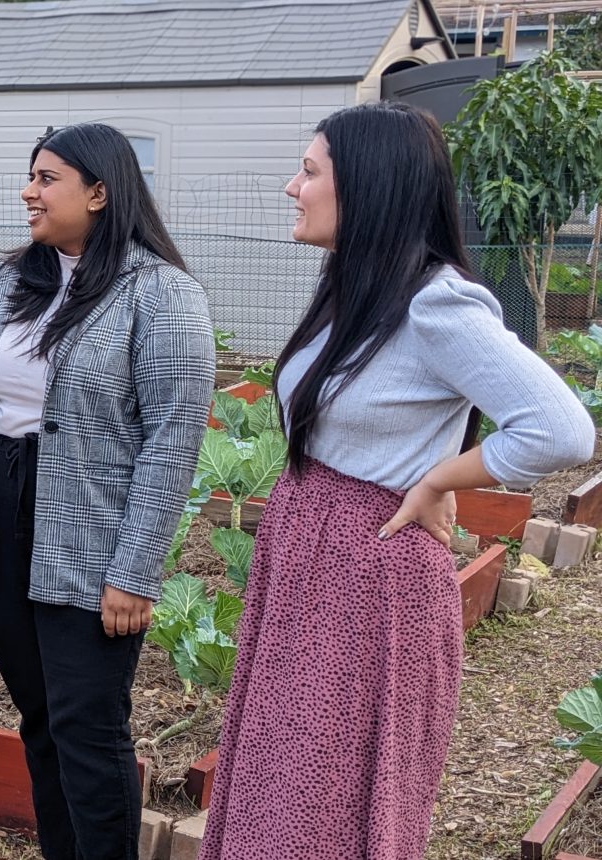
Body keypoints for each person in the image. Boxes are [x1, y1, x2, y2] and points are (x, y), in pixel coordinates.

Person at [199, 102, 595, 859]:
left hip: (371, 573)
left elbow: (561, 429)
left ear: (368, 187)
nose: (292, 187)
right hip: (308, 552)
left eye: (309, 172)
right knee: (277, 784)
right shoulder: (356, 289)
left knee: (322, 803)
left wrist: (440, 477)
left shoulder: (435, 303)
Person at [0, 124, 215, 860]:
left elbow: (172, 442)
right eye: (32, 176)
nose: (29, 192)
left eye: (47, 179)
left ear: (100, 193)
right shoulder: (11, 282)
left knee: (88, 725)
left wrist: (135, 571)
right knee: (41, 718)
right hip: (3, 508)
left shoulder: (162, 294)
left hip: (92, 530)